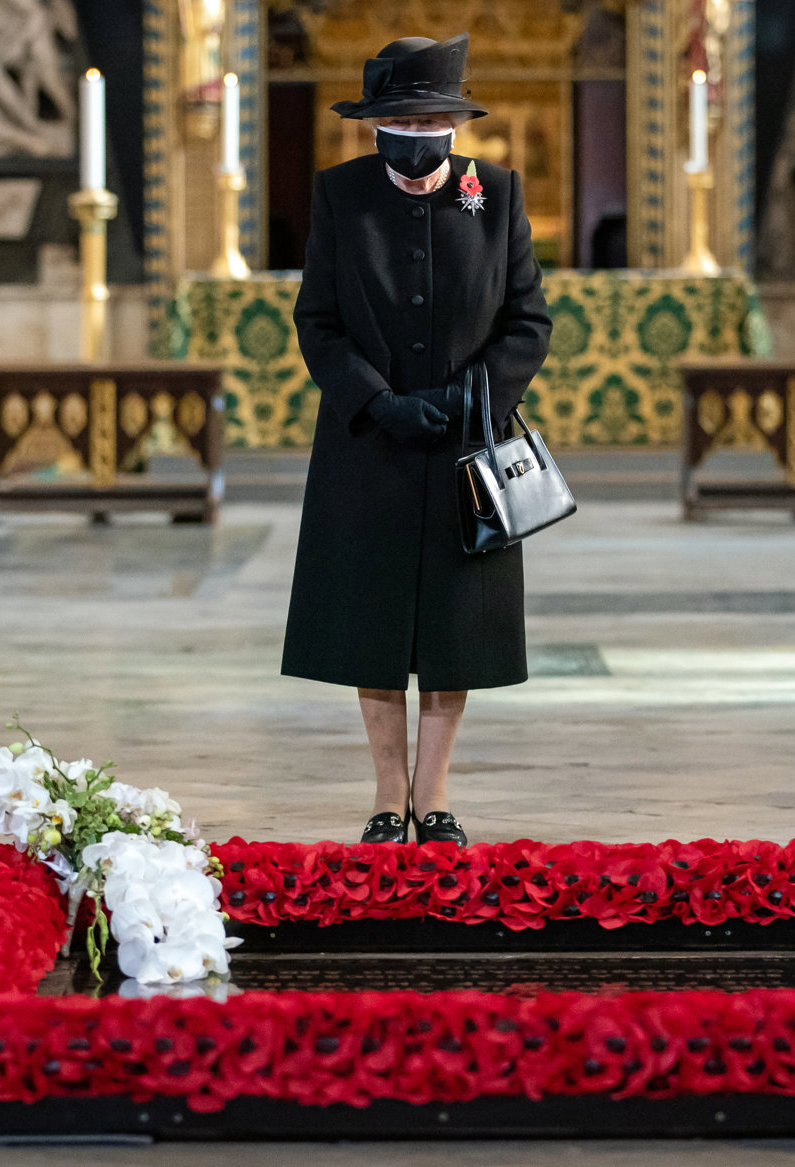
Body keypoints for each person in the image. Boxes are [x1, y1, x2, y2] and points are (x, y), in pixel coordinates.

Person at [281, 33, 552, 847]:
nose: (418, 134)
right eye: (402, 121)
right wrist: (379, 401)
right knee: (371, 622)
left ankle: (432, 798)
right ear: (376, 127)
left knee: (452, 628)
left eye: (432, 120)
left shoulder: (495, 193)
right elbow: (318, 321)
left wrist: (471, 397)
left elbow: (528, 321)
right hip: (370, 445)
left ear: (455, 124)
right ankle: (384, 796)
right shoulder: (341, 195)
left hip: (466, 448)